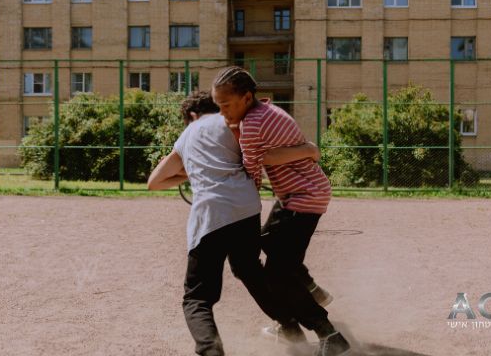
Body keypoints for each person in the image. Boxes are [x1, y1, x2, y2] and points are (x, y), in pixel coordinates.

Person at [147, 92, 319, 356]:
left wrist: (194, 171)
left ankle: (210, 351)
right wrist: (307, 150)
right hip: (246, 210)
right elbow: (260, 156)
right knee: (249, 270)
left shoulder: (191, 131)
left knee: (197, 298)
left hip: (211, 216)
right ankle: (292, 330)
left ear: (192, 116)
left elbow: (154, 182)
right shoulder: (238, 123)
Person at [211, 66, 351, 356]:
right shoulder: (266, 111)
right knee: (270, 246)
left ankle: (329, 334)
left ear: (246, 97)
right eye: (218, 106)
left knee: (277, 273)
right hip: (300, 195)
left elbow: (251, 178)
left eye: (226, 105)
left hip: (302, 198)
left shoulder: (251, 125)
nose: (223, 112)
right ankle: (308, 291)